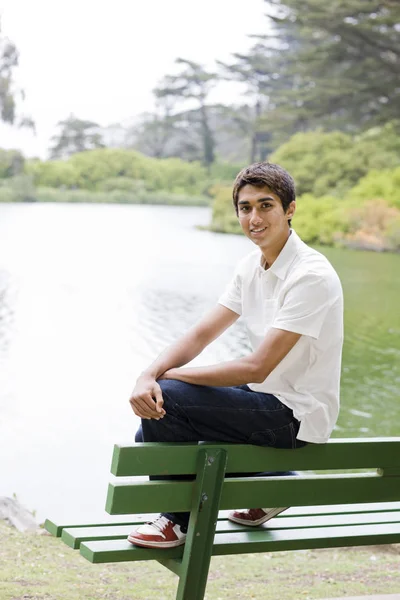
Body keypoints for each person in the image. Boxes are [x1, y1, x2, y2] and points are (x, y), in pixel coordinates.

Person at [127, 162, 344, 549]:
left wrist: (171, 378)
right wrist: (149, 374)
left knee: (168, 402)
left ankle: (176, 520)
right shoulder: (252, 266)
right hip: (267, 396)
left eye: (266, 206)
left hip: (296, 415)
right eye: (245, 208)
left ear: (290, 209)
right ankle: (270, 484)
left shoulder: (311, 275)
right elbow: (201, 333)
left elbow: (257, 366)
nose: (254, 218)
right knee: (150, 426)